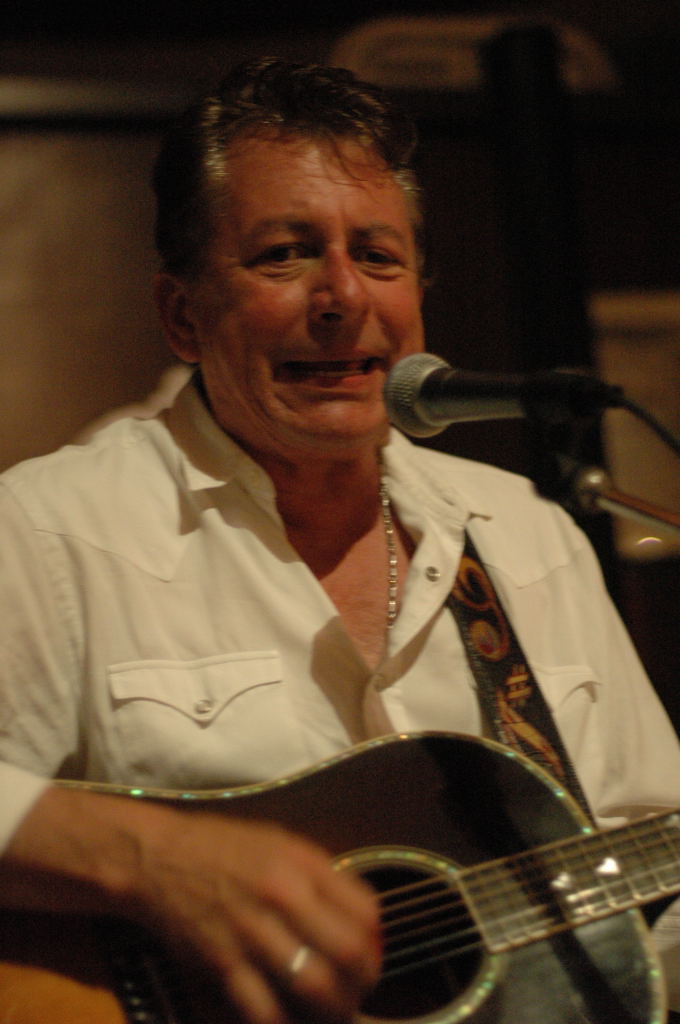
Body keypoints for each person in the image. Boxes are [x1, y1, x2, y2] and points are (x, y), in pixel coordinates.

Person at [0, 56, 679, 1024]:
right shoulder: (48, 531)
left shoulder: (528, 537)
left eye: (378, 257)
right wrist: (158, 860)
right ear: (182, 315)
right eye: (285, 254)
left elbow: (649, 892)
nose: (342, 296)